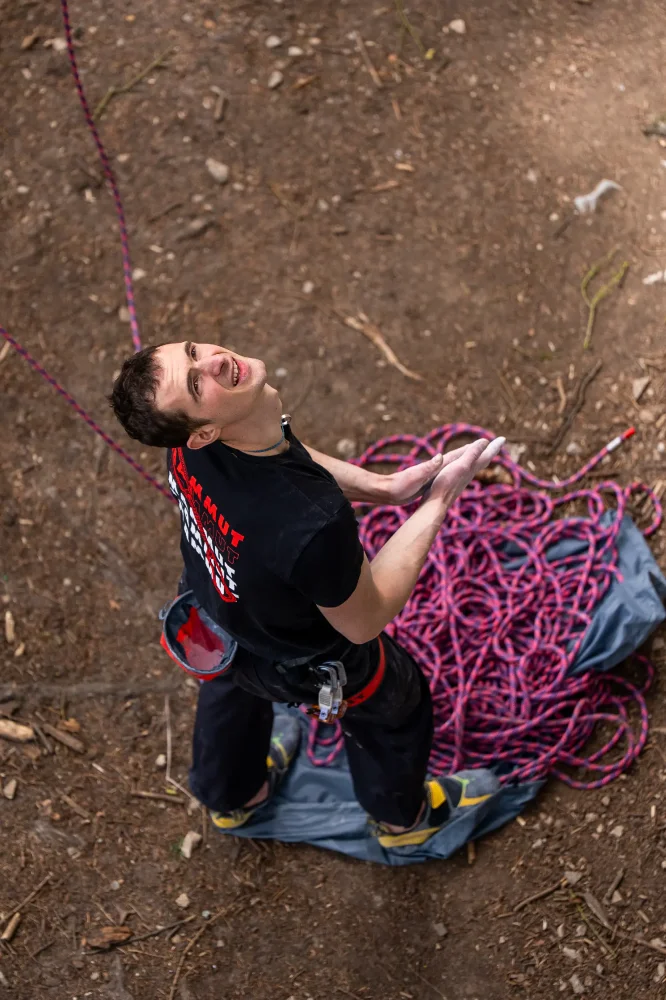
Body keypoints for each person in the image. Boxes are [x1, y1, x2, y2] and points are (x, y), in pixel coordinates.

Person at [110, 340, 504, 848]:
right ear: (204, 431)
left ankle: (232, 797)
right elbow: (365, 620)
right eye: (195, 382)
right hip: (297, 656)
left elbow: (279, 454)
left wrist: (383, 488)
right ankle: (403, 823)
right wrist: (439, 498)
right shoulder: (310, 525)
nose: (213, 360)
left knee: (232, 686)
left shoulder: (187, 444)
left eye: (192, 350)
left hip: (212, 614)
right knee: (396, 704)